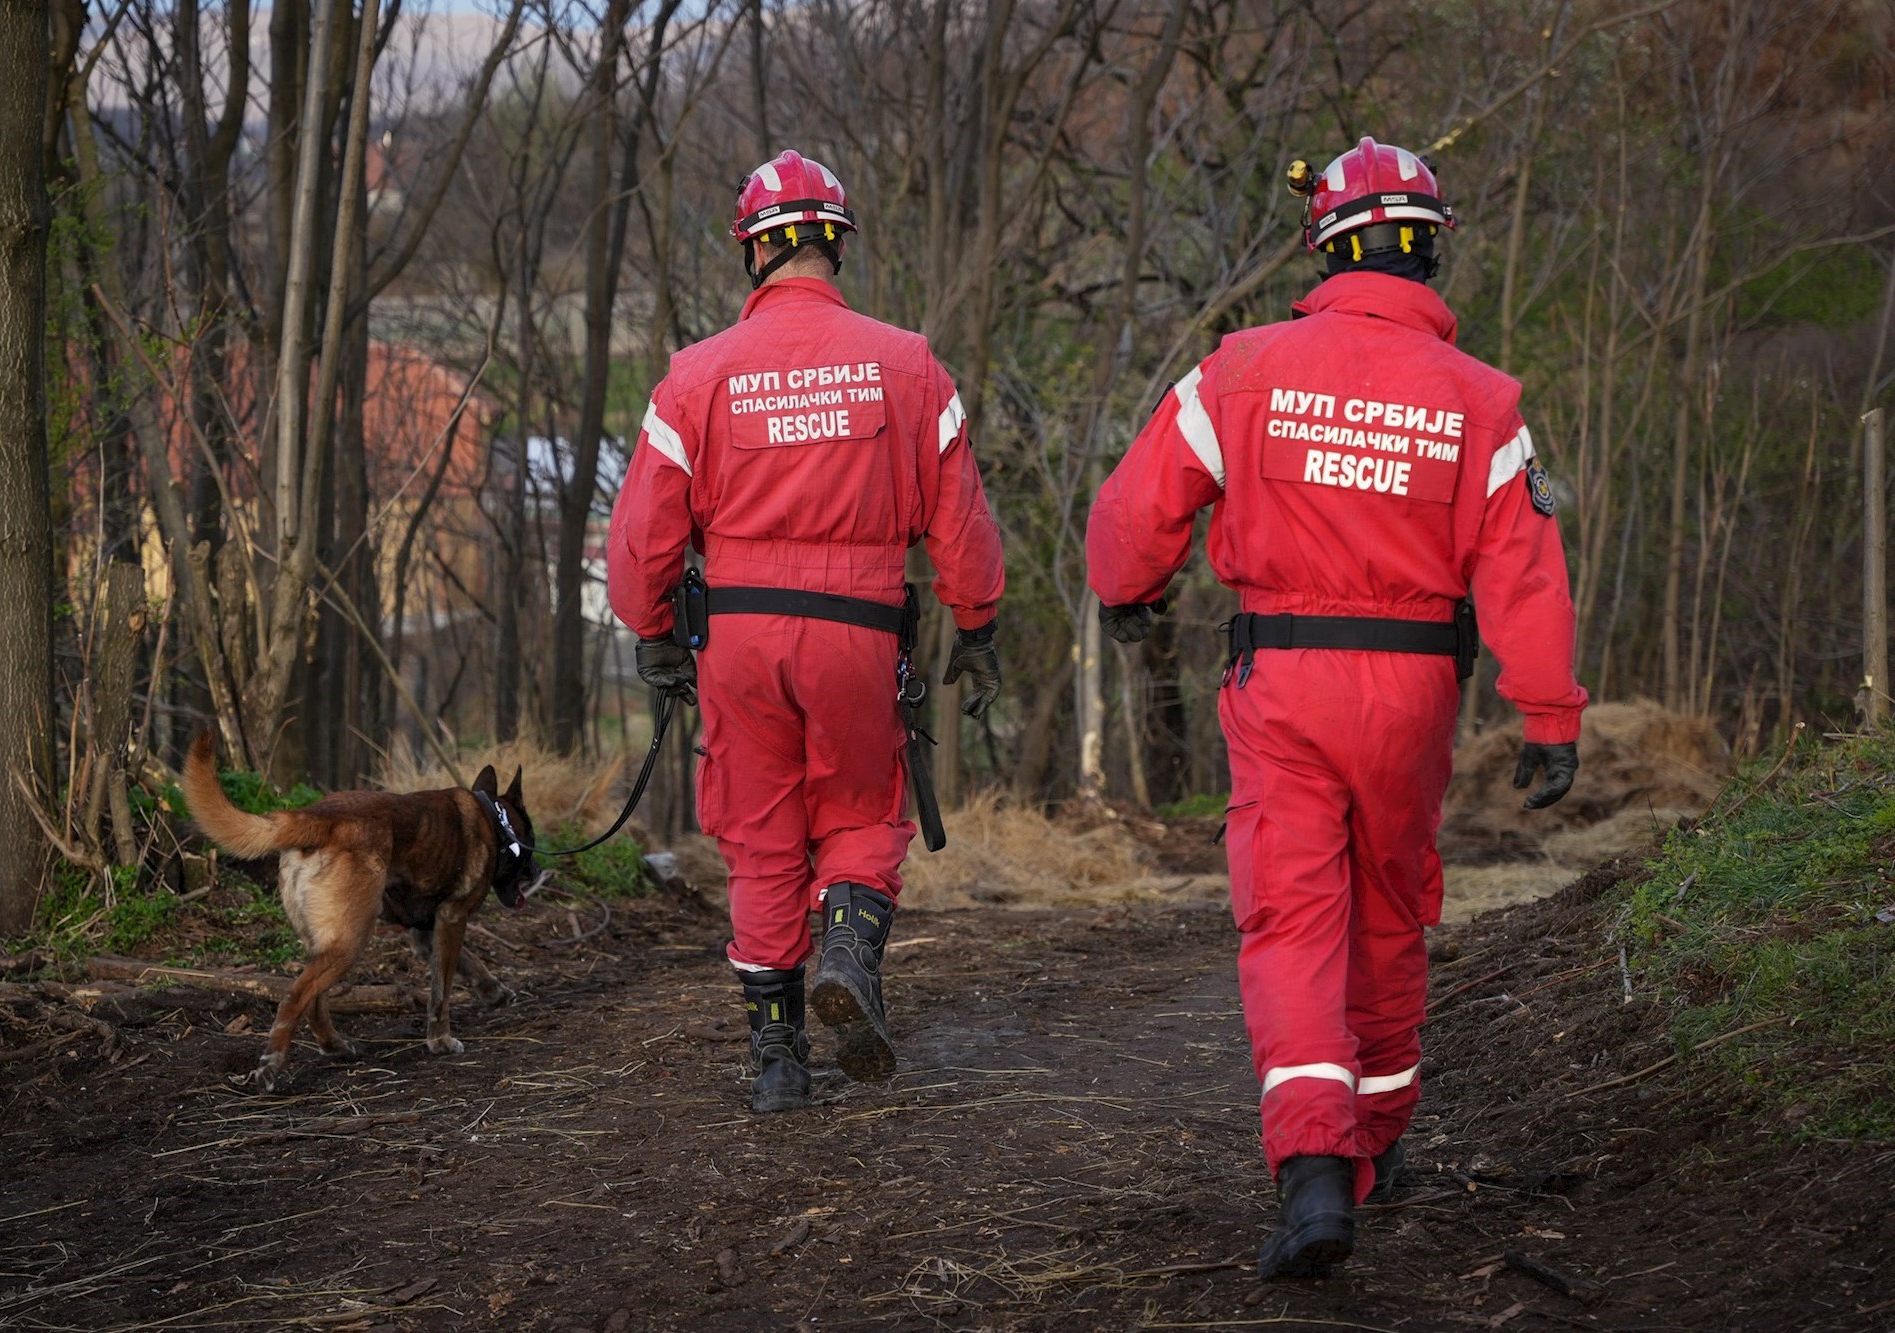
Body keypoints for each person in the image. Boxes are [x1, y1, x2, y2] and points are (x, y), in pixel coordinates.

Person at [1086, 137, 1587, 1279]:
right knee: (1390, 907)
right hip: (1414, 692)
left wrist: (1129, 592)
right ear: (1429, 253)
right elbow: (1525, 573)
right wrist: (1548, 716)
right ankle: (1381, 1135)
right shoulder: (1482, 400)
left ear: (1324, 248)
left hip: (1284, 683)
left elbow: (1135, 509)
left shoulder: (1240, 368)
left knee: (1293, 918)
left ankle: (1315, 1171)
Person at [605, 149, 1007, 1114]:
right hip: (859, 632)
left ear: (754, 252)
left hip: (739, 639)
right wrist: (978, 622)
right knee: (862, 811)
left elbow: (644, 535)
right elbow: (960, 519)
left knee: (760, 834)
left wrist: (654, 629)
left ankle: (777, 1058)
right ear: (837, 245)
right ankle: (849, 954)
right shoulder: (909, 365)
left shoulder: (695, 377)